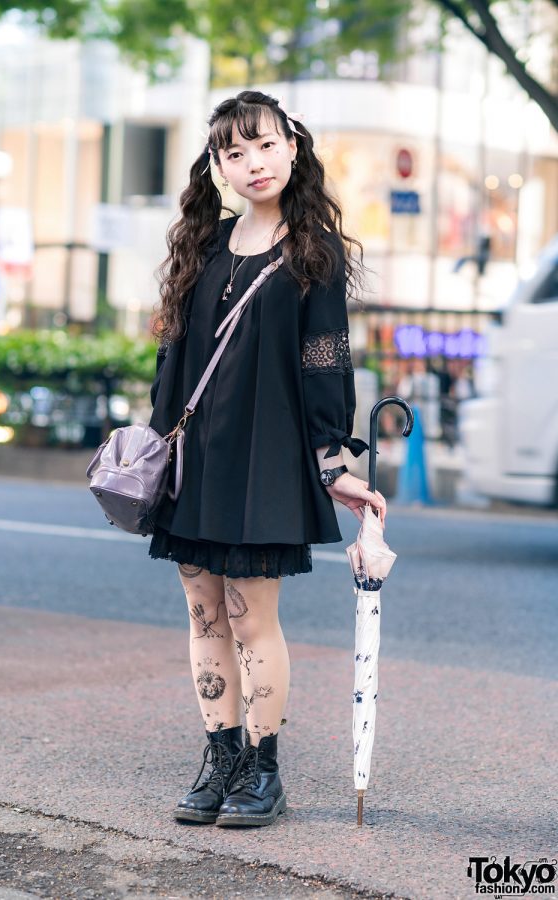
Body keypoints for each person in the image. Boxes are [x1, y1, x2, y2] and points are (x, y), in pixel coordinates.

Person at [148, 89, 387, 829]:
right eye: (234, 151)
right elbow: (172, 356)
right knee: (204, 616)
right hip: (197, 461)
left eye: (264, 145)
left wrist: (331, 459)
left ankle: (263, 768)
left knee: (253, 622)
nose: (252, 162)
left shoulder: (313, 252)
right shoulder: (203, 245)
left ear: (293, 146)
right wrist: (158, 446)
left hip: (267, 463)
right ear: (217, 166)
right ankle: (219, 758)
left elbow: (326, 364)